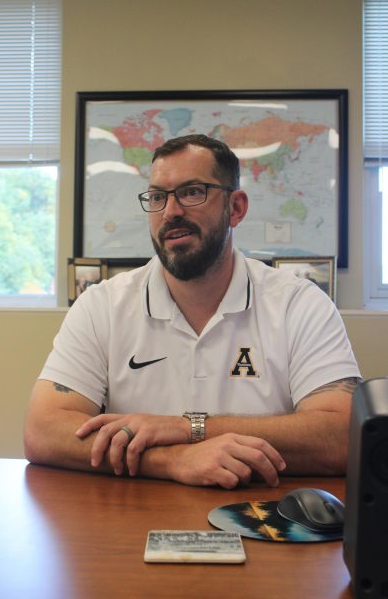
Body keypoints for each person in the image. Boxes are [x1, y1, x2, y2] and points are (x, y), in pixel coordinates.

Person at [24, 134, 361, 490]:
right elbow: (43, 430)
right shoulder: (102, 305)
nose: (171, 212)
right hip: (132, 521)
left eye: (192, 192)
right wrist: (173, 459)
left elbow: (343, 437)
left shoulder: (300, 304)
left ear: (236, 208)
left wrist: (187, 427)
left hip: (264, 520)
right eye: (157, 197)